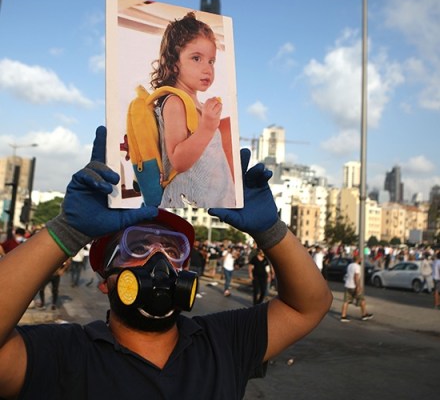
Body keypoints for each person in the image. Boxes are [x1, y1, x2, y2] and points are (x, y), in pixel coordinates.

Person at [0, 126, 332, 399]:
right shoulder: (65, 355)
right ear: (106, 279)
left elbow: (308, 306)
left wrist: (271, 230)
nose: (159, 259)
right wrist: (66, 231)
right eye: (139, 246)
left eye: (173, 249)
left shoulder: (221, 342)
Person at [151, 12, 236, 208]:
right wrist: (207, 127)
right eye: (196, 58)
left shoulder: (197, 104)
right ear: (174, 64)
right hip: (187, 203)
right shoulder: (175, 102)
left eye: (211, 61)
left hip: (215, 200)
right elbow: (178, 161)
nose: (207, 69)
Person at [340, 255, 374, 322]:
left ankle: (343, 316)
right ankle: (364, 315)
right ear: (358, 260)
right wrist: (358, 286)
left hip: (347, 285)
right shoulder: (357, 267)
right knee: (362, 300)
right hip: (354, 286)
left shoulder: (349, 265)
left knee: (346, 301)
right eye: (360, 259)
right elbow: (356, 277)